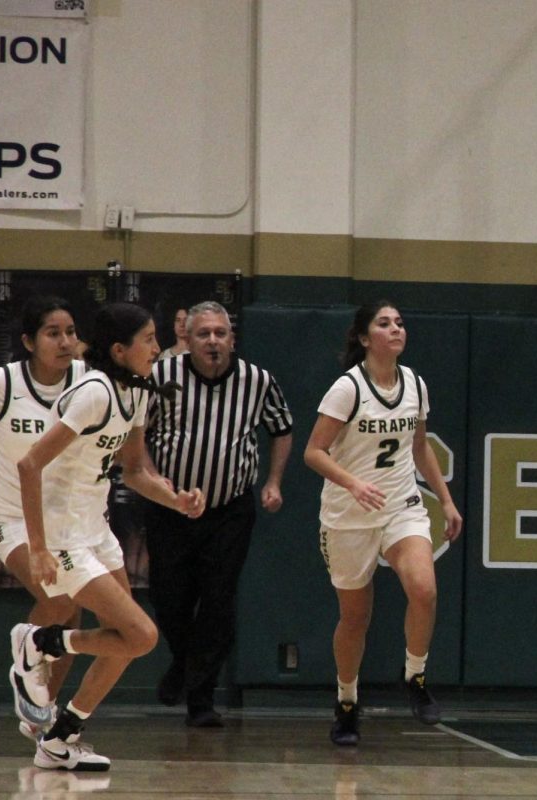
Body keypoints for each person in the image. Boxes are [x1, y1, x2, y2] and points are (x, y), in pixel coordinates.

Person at [12, 302, 204, 771]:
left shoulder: (136, 393)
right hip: (63, 534)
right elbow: (29, 463)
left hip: (95, 528)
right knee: (141, 636)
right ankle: (39, 644)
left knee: (123, 640)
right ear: (119, 350)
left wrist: (175, 499)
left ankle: (60, 738)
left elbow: (135, 472)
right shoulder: (94, 392)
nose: (158, 348)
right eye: (149, 340)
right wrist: (37, 547)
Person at [303, 301, 462, 746]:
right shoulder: (347, 389)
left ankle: (414, 676)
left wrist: (446, 501)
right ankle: (348, 701)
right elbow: (313, 452)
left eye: (399, 323)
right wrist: (353, 483)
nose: (395, 329)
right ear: (363, 336)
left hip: (400, 506)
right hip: (348, 515)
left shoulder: (414, 383)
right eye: (384, 323)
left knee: (424, 589)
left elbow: (420, 446)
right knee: (355, 617)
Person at [144, 300, 293, 727]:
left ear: (232, 338)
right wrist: (158, 485)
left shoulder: (256, 380)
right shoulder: (162, 377)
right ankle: (185, 663)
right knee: (168, 597)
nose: (213, 340)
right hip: (170, 508)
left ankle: (200, 700)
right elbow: (137, 437)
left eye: (220, 333)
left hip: (229, 509)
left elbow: (282, 429)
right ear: (186, 339)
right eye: (204, 333)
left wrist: (273, 481)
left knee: (218, 601)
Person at [0, 297, 87, 736]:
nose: (65, 341)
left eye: (70, 332)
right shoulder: (0, 383)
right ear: (29, 341)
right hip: (11, 514)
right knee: (62, 599)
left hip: (66, 518)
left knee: (74, 614)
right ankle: (26, 663)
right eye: (53, 333)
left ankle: (44, 709)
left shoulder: (90, 382)